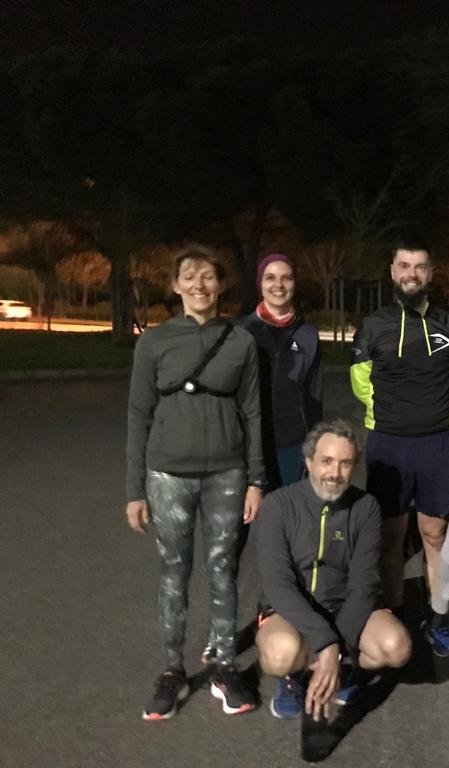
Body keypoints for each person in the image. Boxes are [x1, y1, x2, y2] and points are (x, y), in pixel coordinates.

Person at [125, 244, 265, 720]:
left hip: (227, 472)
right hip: (168, 474)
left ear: (221, 285)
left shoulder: (240, 341)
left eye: (208, 276)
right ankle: (172, 671)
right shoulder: (154, 342)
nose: (199, 285)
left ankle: (225, 667)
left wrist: (256, 479)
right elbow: (139, 415)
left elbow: (252, 412)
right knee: (173, 571)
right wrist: (134, 489)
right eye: (190, 276)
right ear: (175, 285)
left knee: (223, 569)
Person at [350, 242, 449, 655]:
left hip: (437, 444)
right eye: (404, 265)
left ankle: (438, 619)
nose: (411, 273)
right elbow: (361, 382)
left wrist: (431, 416)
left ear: (430, 273)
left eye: (419, 266)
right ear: (392, 272)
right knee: (391, 536)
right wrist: (396, 415)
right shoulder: (372, 325)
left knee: (435, 533)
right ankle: (393, 614)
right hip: (389, 445)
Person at [254, 419, 412, 721]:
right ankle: (293, 676)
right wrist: (326, 643)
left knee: (397, 647)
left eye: (345, 463)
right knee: (280, 654)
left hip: (345, 606)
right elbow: (278, 584)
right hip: (292, 610)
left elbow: (364, 582)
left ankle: (342, 668)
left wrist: (336, 651)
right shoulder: (278, 505)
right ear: (309, 461)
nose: (335, 473)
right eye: (327, 461)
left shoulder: (366, 507)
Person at [239, 252, 323, 490]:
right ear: (260, 284)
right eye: (270, 278)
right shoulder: (241, 331)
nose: (278, 284)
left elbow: (314, 398)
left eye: (286, 278)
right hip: (246, 446)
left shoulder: (308, 335)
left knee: (287, 510)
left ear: (294, 284)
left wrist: (315, 445)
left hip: (290, 445)